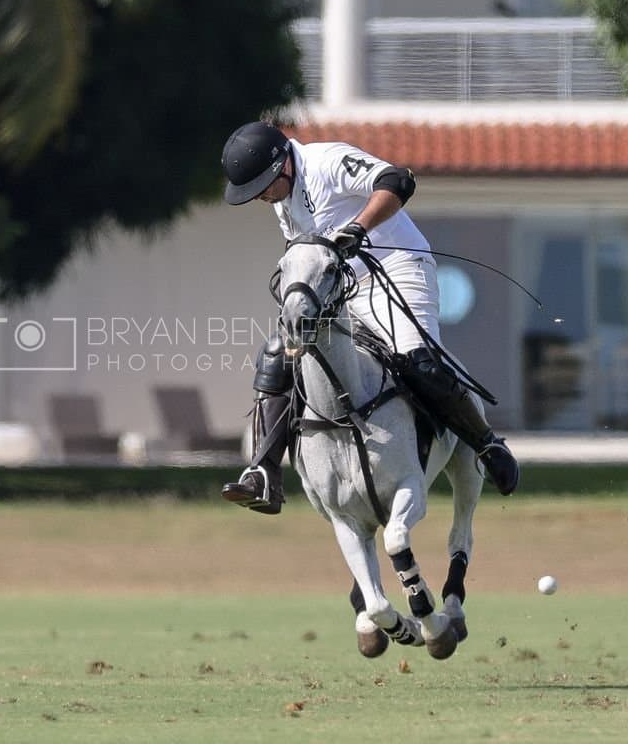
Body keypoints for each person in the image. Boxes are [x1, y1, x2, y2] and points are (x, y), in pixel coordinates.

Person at [219, 120, 519, 514]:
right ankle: (264, 473)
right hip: (339, 289)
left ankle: (486, 443)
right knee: (279, 356)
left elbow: (398, 180)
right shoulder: (282, 201)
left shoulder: (326, 162)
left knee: (418, 364)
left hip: (396, 266)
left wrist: (358, 228)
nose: (260, 197)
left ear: (282, 166)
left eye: (261, 186)